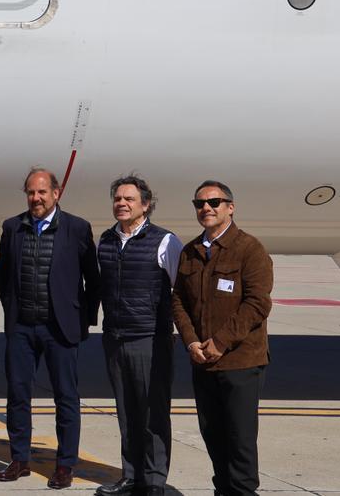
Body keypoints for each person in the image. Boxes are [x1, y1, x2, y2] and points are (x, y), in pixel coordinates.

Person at [0, 167, 100, 489]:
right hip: (23, 327)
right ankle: (19, 458)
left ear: (56, 193)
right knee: (17, 395)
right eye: (31, 192)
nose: (36, 198)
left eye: (42, 192)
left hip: (60, 329)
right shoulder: (13, 227)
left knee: (66, 398)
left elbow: (92, 280)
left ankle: (65, 464)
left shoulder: (77, 228)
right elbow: (3, 278)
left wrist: (83, 320)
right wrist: (13, 313)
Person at [171, 181, 273, 496]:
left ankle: (242, 491)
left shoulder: (249, 249)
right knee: (213, 436)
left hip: (241, 362)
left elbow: (258, 304)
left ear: (230, 207)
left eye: (215, 202)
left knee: (239, 439)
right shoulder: (190, 252)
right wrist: (191, 342)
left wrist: (220, 342)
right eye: (200, 203)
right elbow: (178, 301)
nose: (207, 208)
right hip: (203, 362)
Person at [96, 175, 183, 496]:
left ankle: (155, 480)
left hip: (150, 339)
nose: (122, 203)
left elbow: (181, 292)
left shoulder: (165, 242)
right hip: (115, 338)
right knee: (126, 412)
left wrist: (174, 330)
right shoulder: (104, 241)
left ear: (145, 204)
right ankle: (131, 476)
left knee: (153, 413)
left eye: (129, 199)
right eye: (118, 198)